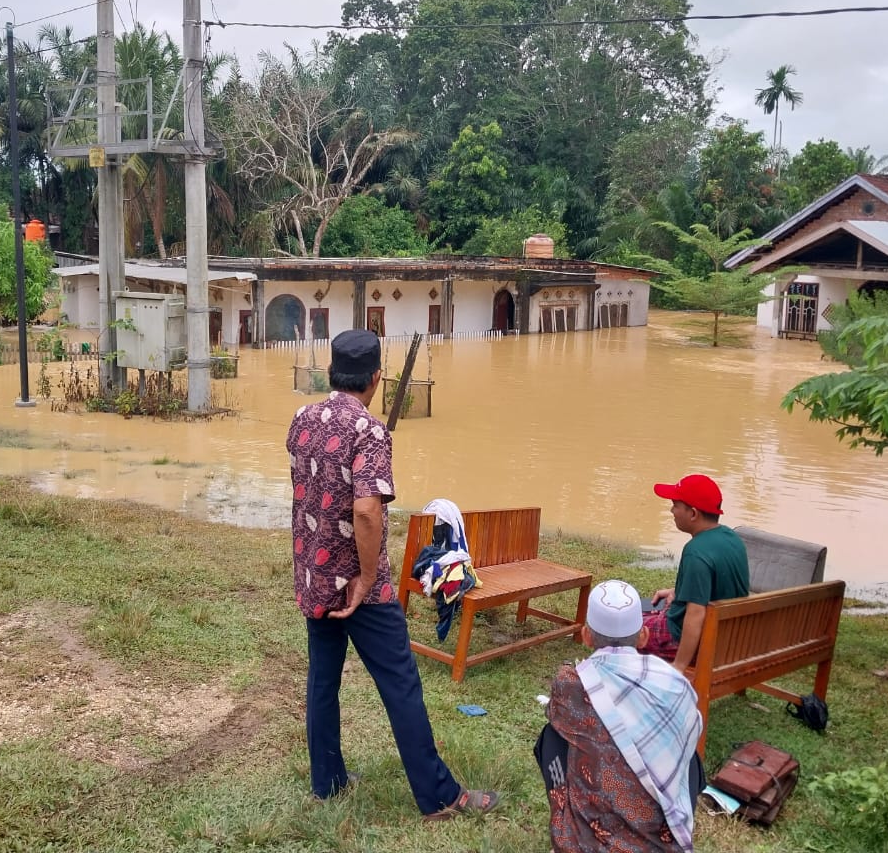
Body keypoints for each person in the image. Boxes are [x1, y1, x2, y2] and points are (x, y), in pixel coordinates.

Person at [286, 329, 499, 821]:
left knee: (322, 680)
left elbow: (311, 485)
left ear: (331, 372)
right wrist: (362, 579)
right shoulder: (369, 430)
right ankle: (440, 796)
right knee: (400, 684)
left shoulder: (301, 419)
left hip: (314, 575)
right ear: (377, 378)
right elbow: (366, 512)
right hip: (364, 587)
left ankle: (329, 780)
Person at [536, 579, 703, 853]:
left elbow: (555, 714)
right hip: (660, 842)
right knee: (688, 753)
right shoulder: (674, 684)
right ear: (644, 637)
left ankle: (574, 828)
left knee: (551, 736)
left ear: (586, 636)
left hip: (586, 846)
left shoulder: (571, 683)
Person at [640, 474, 749, 672]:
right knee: (637, 607)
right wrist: (680, 591)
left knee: (620, 625)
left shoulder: (696, 551)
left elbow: (696, 613)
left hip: (688, 639)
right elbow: (719, 586)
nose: (671, 510)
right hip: (726, 636)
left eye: (675, 505)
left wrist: (680, 665)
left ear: (693, 513)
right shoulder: (732, 538)